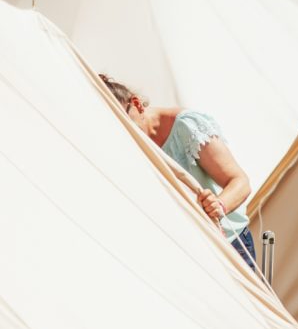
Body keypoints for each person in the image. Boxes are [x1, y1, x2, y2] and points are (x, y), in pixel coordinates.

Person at [98, 75, 256, 270]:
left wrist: (219, 205)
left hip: (229, 245)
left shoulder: (187, 126)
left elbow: (240, 181)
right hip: (184, 253)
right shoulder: (124, 148)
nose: (124, 133)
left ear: (137, 104)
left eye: (125, 123)